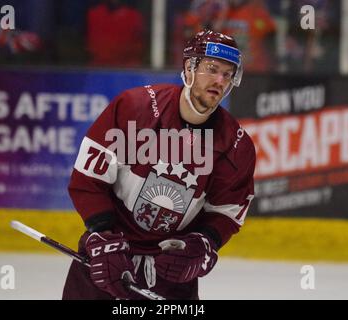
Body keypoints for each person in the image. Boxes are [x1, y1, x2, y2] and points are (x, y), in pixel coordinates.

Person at [62, 29, 256, 300]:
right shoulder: (135, 108)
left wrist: (204, 243)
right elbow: (88, 179)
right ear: (189, 67)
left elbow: (226, 212)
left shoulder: (236, 146)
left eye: (228, 73)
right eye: (212, 69)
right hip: (107, 260)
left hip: (172, 274)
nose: (220, 80)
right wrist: (102, 235)